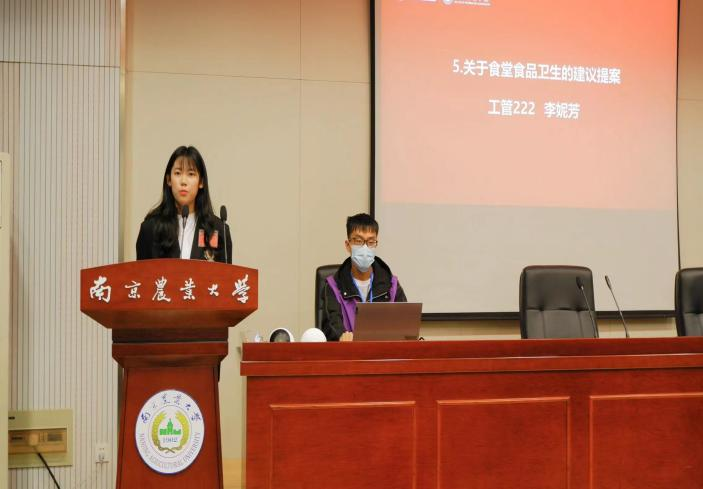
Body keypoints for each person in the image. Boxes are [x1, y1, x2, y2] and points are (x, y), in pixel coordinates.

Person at [136, 145, 232, 263]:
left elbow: (226, 274)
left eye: (191, 174)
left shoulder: (218, 230)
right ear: (169, 180)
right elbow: (141, 273)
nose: (183, 181)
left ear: (201, 182)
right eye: (177, 173)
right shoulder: (150, 228)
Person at [321, 213, 407, 341]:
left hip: (384, 352)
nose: (365, 248)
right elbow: (332, 327)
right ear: (348, 245)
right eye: (358, 241)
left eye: (371, 242)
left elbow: (405, 328)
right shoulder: (333, 286)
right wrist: (341, 337)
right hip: (349, 352)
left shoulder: (391, 285)